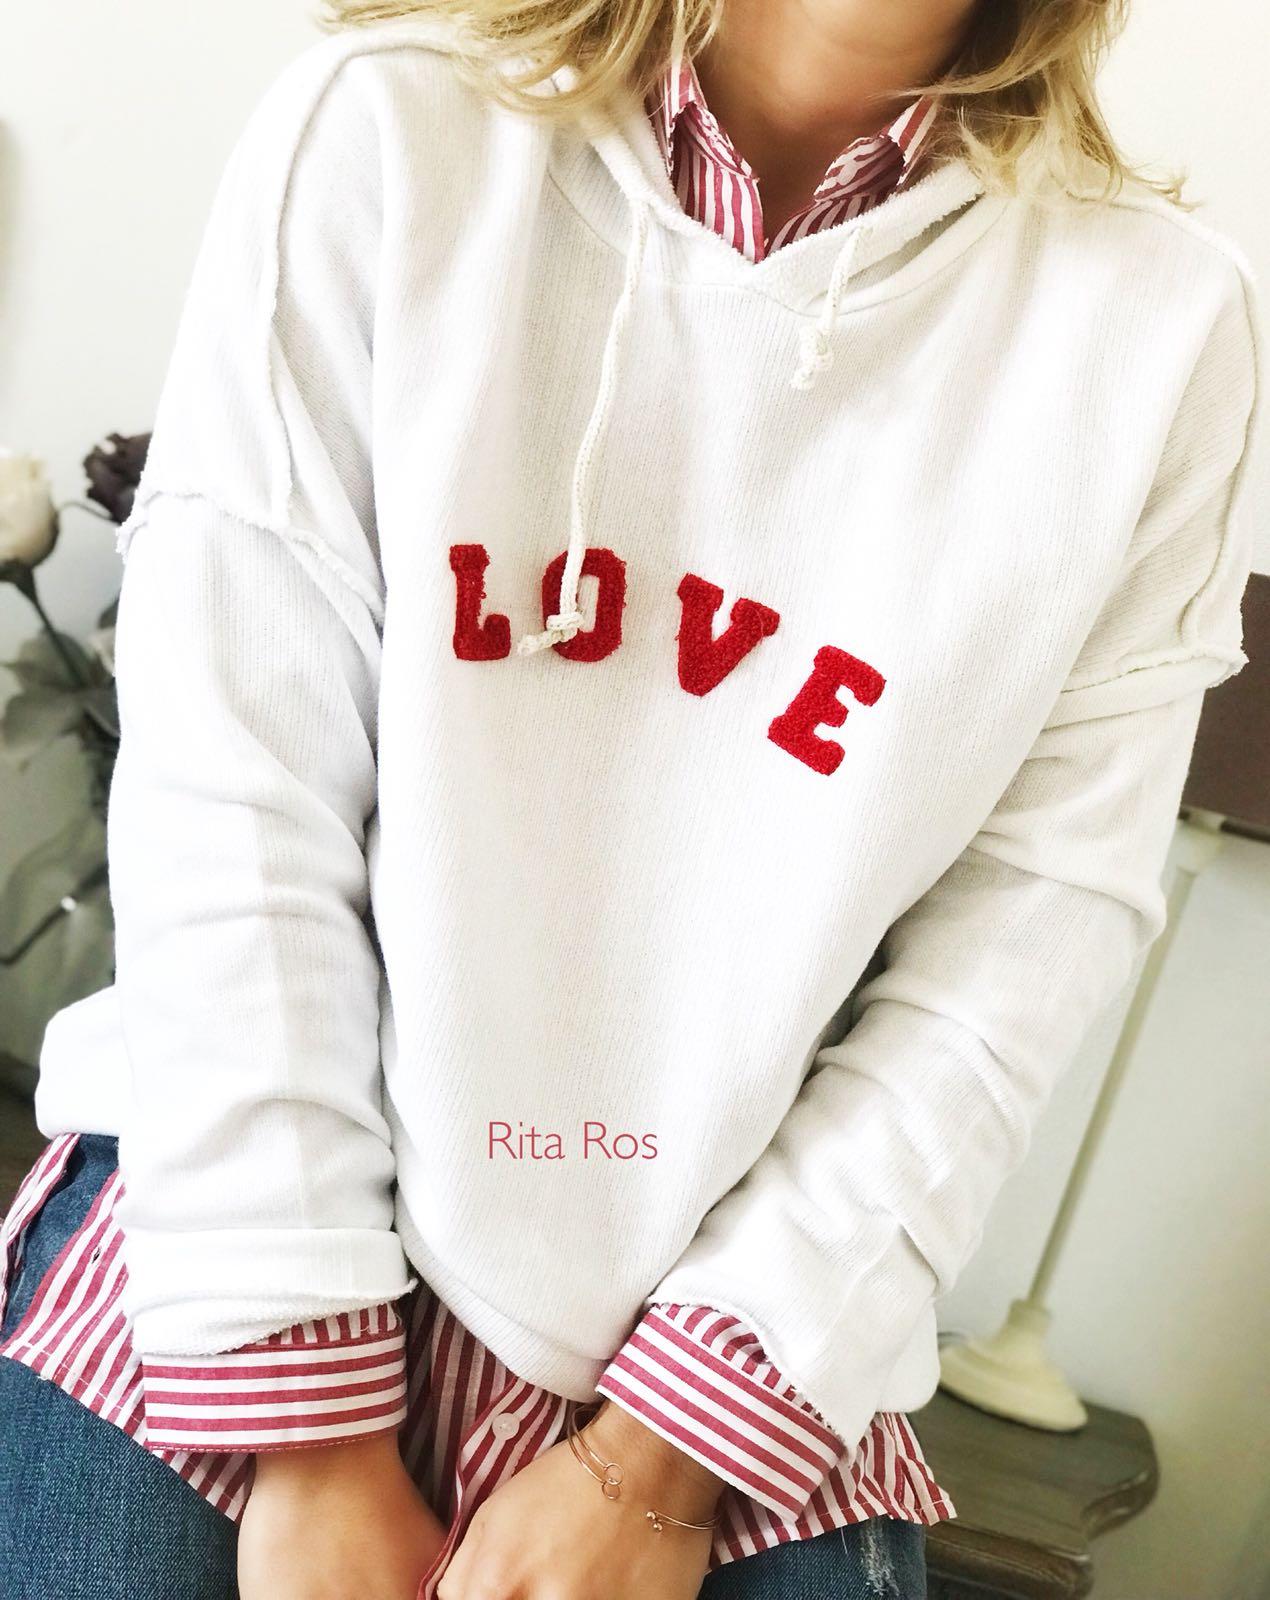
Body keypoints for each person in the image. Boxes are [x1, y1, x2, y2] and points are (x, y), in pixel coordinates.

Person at [0, 0, 1262, 1596]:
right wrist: (311, 1441)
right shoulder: (385, 132)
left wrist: (655, 1462)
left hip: (730, 1328)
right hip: (244, 1222)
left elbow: (1022, 946)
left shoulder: (1156, 329)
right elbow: (236, 801)